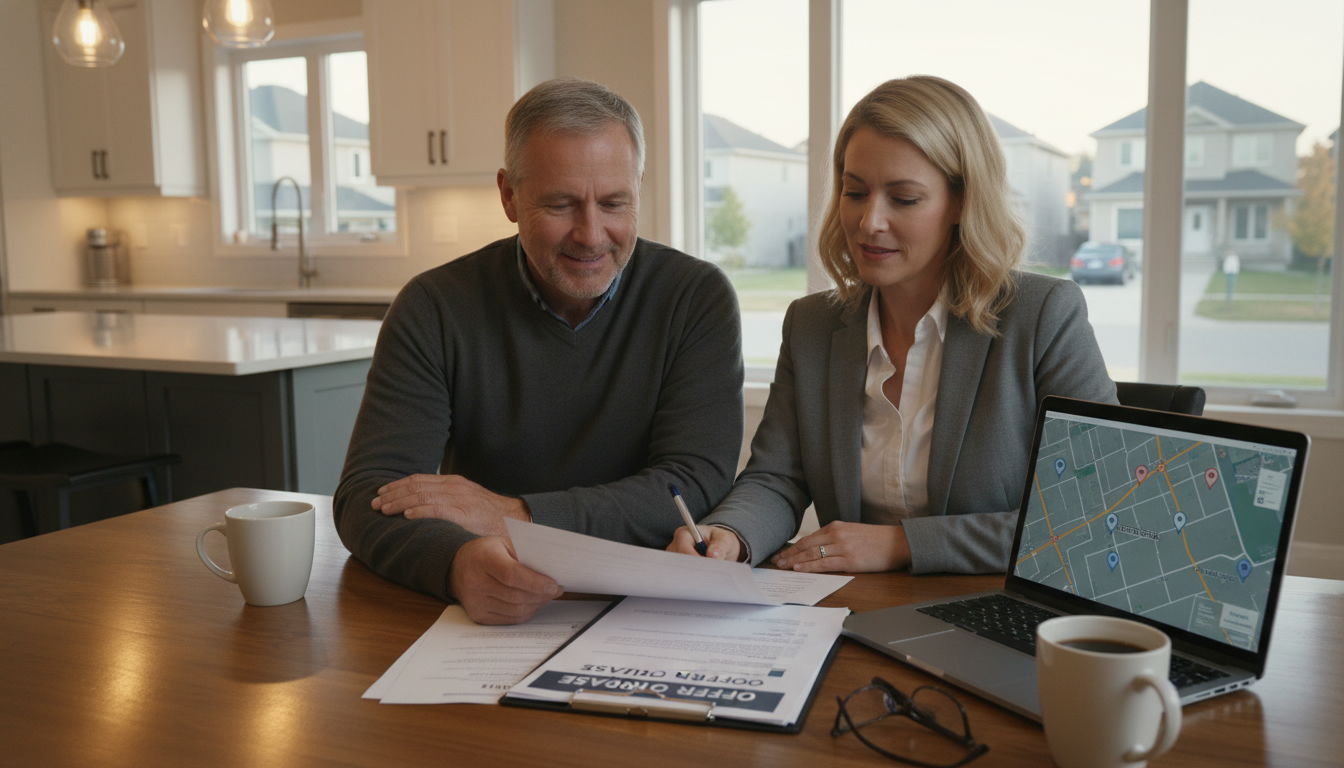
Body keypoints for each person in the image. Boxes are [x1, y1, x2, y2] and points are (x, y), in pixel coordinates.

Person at [668, 76, 1116, 574]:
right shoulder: (811, 325)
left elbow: (1094, 508)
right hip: (855, 611)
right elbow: (776, 478)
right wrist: (730, 533)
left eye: (903, 199)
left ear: (962, 202)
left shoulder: (1045, 314)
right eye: (855, 192)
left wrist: (900, 545)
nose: (869, 222)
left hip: (989, 615)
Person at [335, 78, 744, 624]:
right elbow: (370, 494)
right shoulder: (434, 306)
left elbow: (691, 482)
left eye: (615, 202)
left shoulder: (695, 298)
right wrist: (454, 562)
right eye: (561, 204)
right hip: (488, 614)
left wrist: (514, 516)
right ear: (508, 195)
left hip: (645, 610)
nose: (592, 234)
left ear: (639, 188)